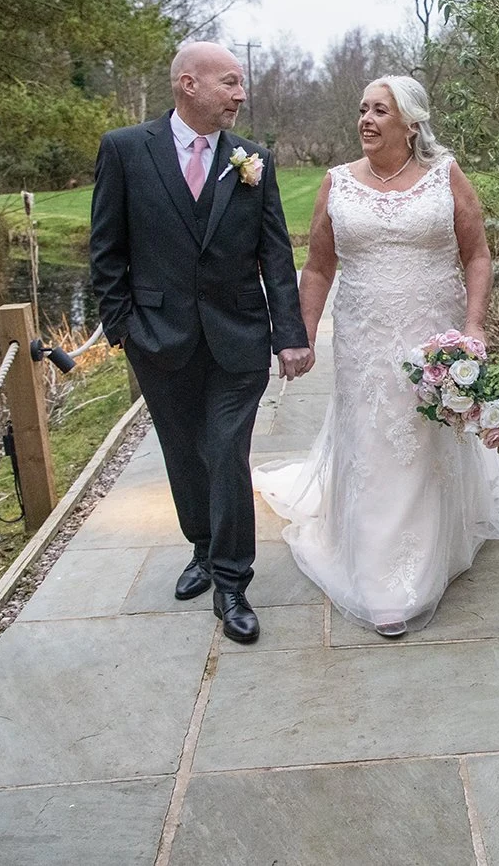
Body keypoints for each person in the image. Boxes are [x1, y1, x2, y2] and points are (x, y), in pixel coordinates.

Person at [254, 75, 499, 637]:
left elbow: (477, 254)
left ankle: (426, 553)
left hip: (431, 335)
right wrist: (303, 335)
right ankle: (379, 574)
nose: (365, 119)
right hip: (363, 337)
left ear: (410, 123)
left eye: (379, 110)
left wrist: (473, 329)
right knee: (371, 440)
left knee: (424, 438)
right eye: (362, 109)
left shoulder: (444, 175)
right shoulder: (337, 183)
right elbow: (317, 267)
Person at [90, 42, 314, 645]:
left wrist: (290, 335)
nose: (240, 94)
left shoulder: (253, 161)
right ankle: (202, 545)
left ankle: (232, 582)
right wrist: (123, 330)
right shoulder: (125, 151)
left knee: (224, 450)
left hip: (239, 339)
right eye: (230, 83)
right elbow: (107, 251)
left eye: (240, 85)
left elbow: (274, 254)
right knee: (184, 455)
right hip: (159, 341)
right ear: (188, 84)